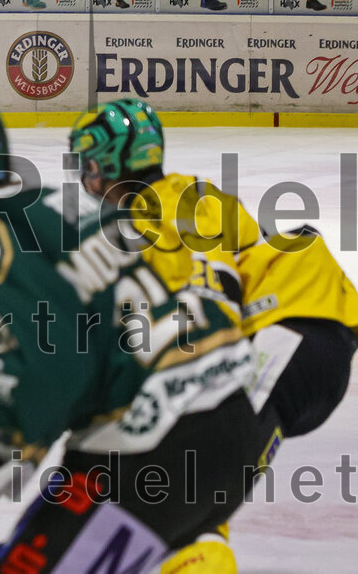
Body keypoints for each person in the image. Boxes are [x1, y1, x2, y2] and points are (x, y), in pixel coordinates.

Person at [0, 93, 279, 572]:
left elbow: (55, 365)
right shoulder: (68, 202)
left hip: (157, 446)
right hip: (235, 417)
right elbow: (97, 341)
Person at [68, 98, 358, 572]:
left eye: (94, 162)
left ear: (122, 160)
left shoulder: (162, 207)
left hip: (291, 330)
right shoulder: (181, 198)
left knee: (188, 474)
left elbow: (207, 307)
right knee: (193, 494)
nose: (88, 178)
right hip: (303, 335)